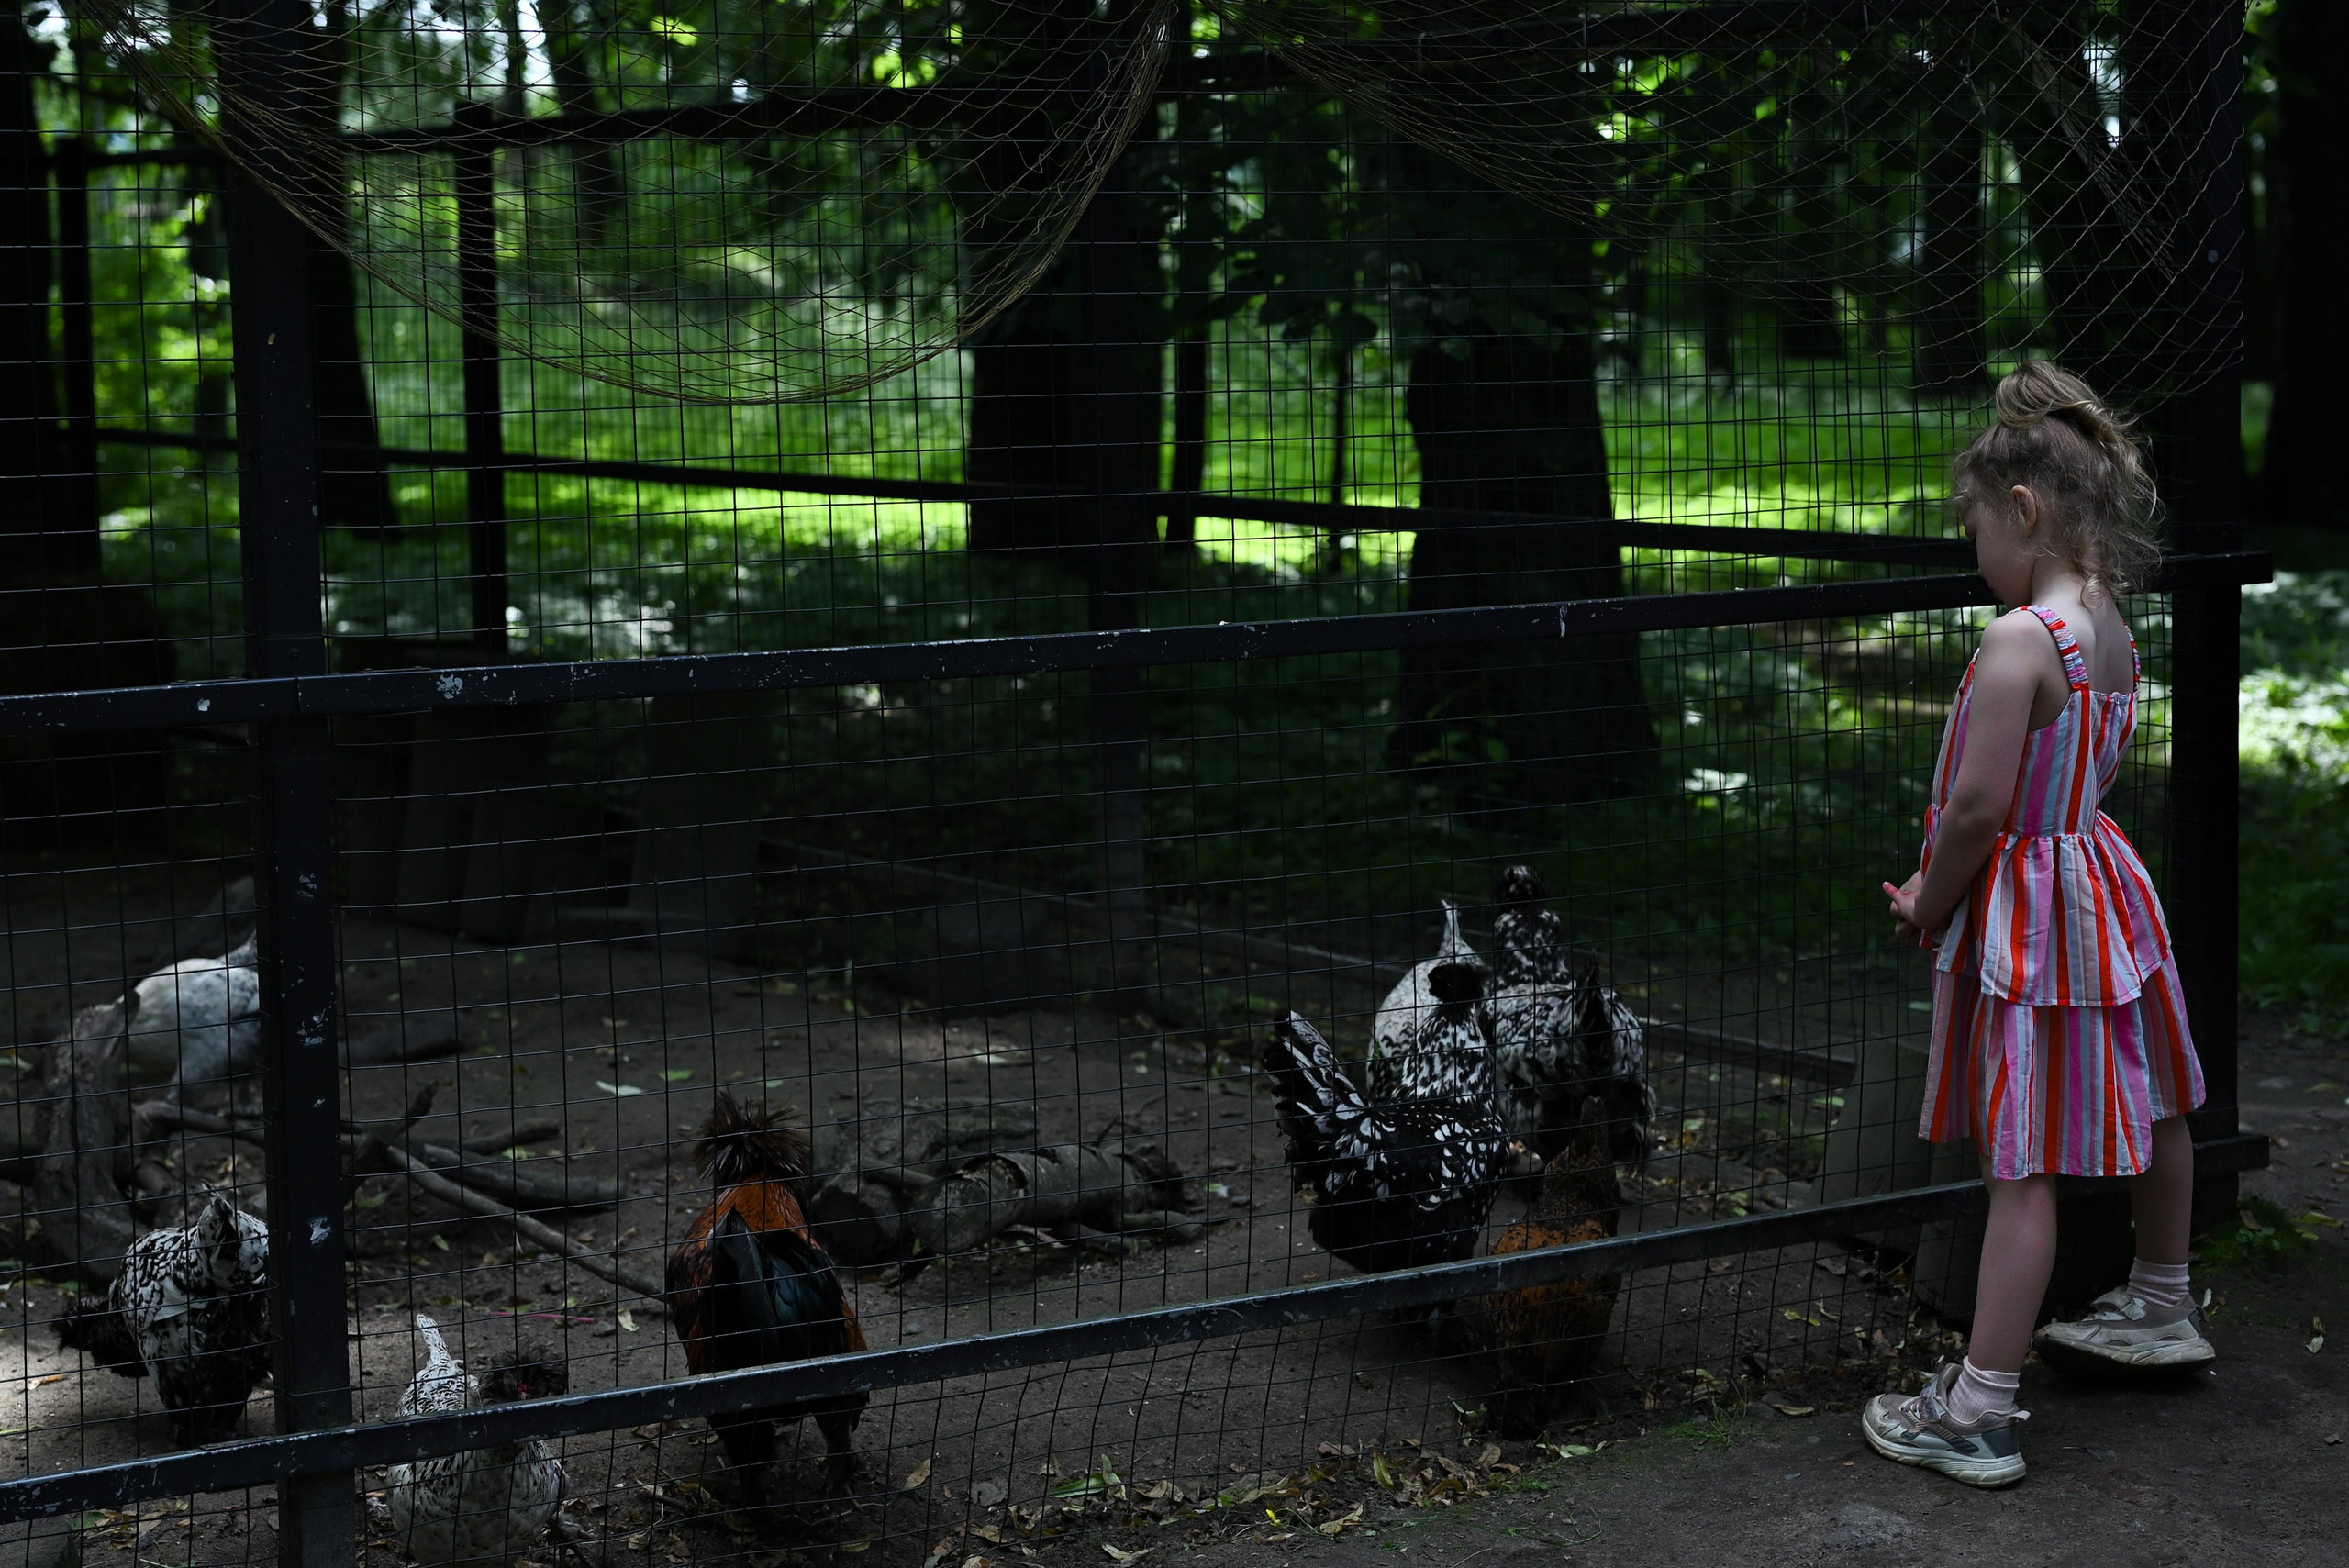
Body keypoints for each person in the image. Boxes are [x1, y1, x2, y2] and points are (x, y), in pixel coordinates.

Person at [1862, 361, 2211, 1488]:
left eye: (1974, 530)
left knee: (2022, 1167)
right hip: (2101, 887)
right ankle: (2161, 1299)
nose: (1974, 555)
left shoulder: (2020, 641)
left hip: (2025, 914)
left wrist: (1928, 897)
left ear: (2021, 509)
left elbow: (1976, 806)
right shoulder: (2107, 619)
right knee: (2152, 1090)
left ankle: (1978, 1407)